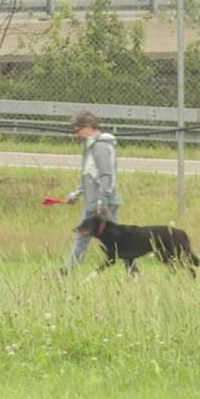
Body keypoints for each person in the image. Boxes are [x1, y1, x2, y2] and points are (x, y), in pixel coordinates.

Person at [61, 110, 137, 277]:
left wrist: (102, 203)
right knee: (94, 238)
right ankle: (133, 273)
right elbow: (90, 175)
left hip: (102, 203)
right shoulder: (91, 146)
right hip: (94, 202)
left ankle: (65, 273)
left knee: (109, 239)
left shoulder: (101, 146)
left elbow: (106, 176)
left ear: (88, 127)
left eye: (77, 130)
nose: (76, 135)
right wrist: (77, 194)